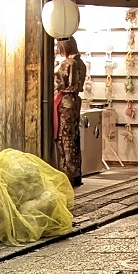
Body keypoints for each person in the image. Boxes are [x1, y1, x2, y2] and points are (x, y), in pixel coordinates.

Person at [52, 35, 87, 184]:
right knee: (74, 137)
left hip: (65, 102)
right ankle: (76, 172)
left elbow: (57, 84)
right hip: (75, 100)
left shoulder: (66, 64)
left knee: (63, 138)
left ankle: (66, 173)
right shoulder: (81, 63)